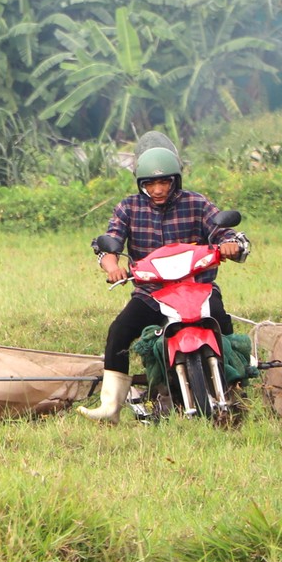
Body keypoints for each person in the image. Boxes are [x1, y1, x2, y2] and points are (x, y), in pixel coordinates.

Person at [82, 147, 248, 418]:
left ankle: (237, 385)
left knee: (223, 323)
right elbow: (107, 244)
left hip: (198, 289)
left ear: (176, 181)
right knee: (119, 332)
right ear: (141, 184)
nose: (157, 189)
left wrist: (230, 244)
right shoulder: (128, 207)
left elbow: (223, 232)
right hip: (152, 294)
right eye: (150, 183)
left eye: (164, 182)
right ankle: (110, 407)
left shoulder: (196, 203)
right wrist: (113, 267)